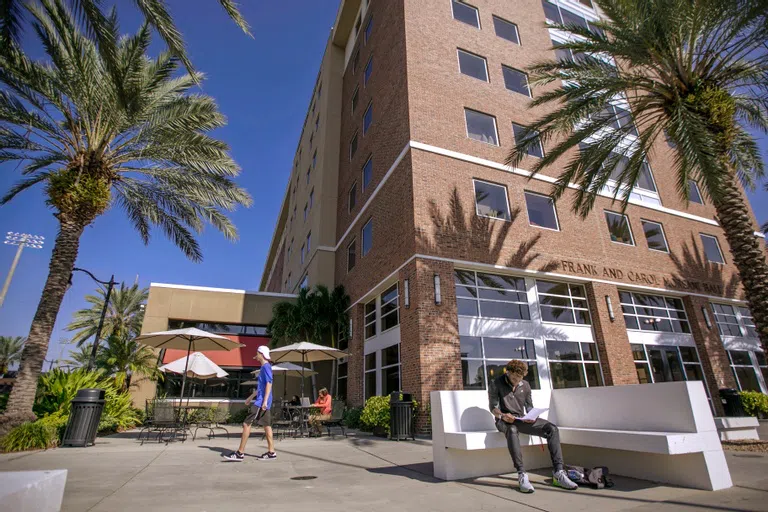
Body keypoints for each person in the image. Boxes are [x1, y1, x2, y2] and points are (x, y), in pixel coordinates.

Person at [489, 360, 578, 493]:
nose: (516, 381)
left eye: (519, 379)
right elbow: (493, 408)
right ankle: (522, 474)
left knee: (552, 429)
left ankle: (559, 473)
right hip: (503, 420)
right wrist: (502, 415)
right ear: (508, 372)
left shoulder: (525, 385)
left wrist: (532, 416)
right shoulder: (496, 383)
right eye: (513, 378)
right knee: (512, 430)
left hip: (521, 419)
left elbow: (529, 406)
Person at [223, 345, 275, 461]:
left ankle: (240, 453)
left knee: (247, 424)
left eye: (257, 353)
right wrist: (250, 397)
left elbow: (269, 384)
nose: (256, 356)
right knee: (267, 426)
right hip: (263, 400)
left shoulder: (266, 367)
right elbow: (261, 388)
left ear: (261, 354)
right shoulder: (265, 367)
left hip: (261, 402)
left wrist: (265, 400)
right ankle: (271, 452)